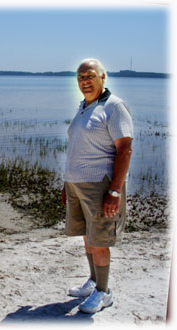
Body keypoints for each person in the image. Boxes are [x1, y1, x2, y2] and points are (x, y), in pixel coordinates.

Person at [61, 58, 133, 313]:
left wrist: (114, 191)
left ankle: (104, 292)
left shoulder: (114, 107)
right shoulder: (84, 106)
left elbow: (124, 150)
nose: (85, 81)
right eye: (81, 77)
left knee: (100, 240)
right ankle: (93, 281)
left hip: (99, 185)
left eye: (90, 76)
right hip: (76, 184)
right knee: (88, 237)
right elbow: (77, 147)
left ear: (104, 77)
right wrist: (66, 184)